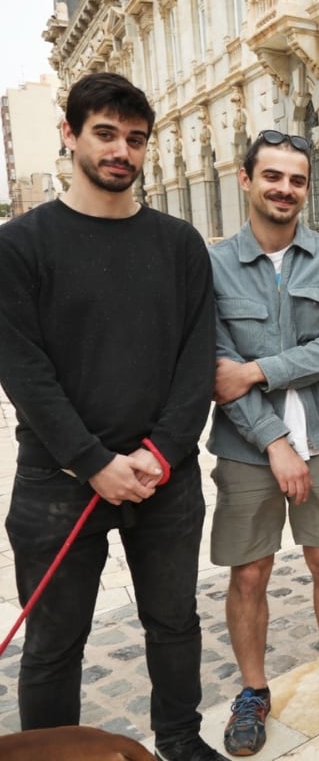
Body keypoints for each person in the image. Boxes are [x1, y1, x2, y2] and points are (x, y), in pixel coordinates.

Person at [0, 72, 223, 761]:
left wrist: (162, 452)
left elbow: (197, 359)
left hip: (166, 478)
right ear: (69, 135)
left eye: (134, 139)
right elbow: (24, 371)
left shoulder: (180, 244)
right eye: (104, 134)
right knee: (53, 643)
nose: (120, 150)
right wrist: (94, 463)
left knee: (174, 623)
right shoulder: (20, 246)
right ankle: (51, 754)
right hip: (58, 481)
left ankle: (180, 743)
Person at [208, 130, 319, 756]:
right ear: (246, 179)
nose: (285, 189)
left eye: (297, 179)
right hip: (246, 447)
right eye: (272, 176)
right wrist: (274, 439)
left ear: (309, 187)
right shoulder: (216, 265)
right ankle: (253, 692)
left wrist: (256, 370)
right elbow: (216, 364)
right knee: (249, 573)